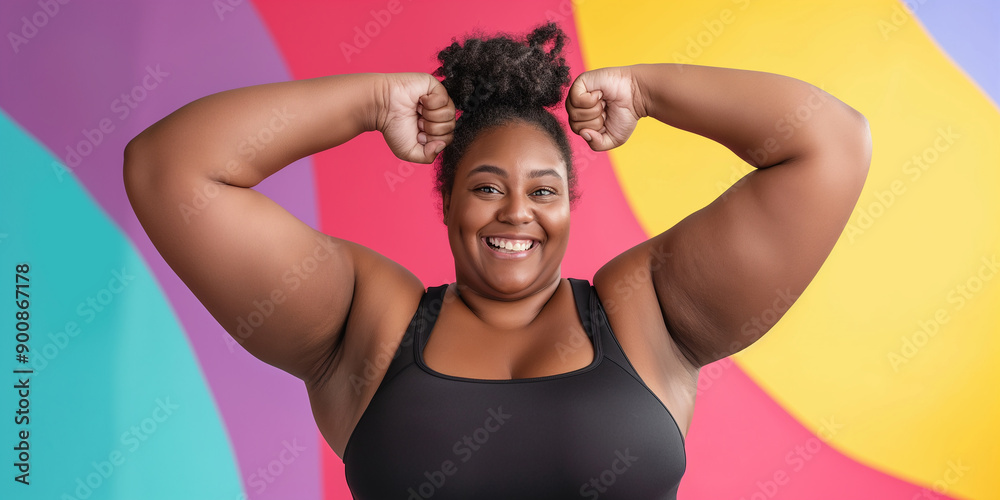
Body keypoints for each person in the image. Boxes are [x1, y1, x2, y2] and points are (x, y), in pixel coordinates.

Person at [123, 22, 870, 500]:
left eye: (543, 190)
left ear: (571, 205)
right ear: (447, 202)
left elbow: (830, 145)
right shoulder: (366, 322)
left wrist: (648, 91)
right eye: (487, 187)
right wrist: (368, 101)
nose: (517, 211)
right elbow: (170, 169)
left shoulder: (647, 313)